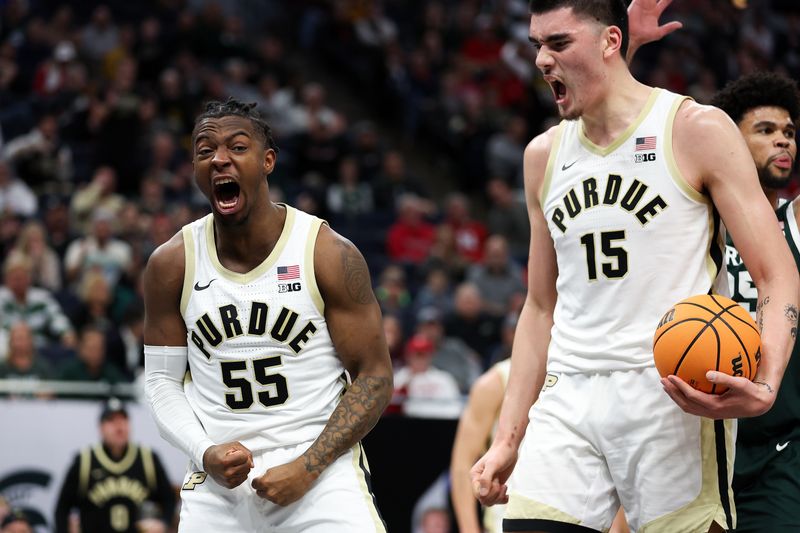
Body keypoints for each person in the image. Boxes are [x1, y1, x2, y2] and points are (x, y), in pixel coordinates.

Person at [470, 2, 799, 532]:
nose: (540, 61)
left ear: (610, 42)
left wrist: (767, 379)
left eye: (558, 43)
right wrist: (509, 437)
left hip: (671, 390)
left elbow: (776, 272)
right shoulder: (543, 156)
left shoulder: (695, 129)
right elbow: (538, 307)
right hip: (569, 394)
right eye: (536, 46)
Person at [142, 99, 392, 531]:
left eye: (237, 147)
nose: (219, 159)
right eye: (205, 151)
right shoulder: (171, 264)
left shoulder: (327, 253)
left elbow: (374, 377)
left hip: (320, 475)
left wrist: (308, 466)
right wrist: (204, 451)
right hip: (217, 483)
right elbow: (162, 382)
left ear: (267, 161)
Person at [713, 73, 800, 533]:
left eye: (789, 132)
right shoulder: (694, 222)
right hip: (700, 438)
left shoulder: (793, 220)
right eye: (765, 130)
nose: (783, 140)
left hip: (778, 445)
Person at [54, 398, 176, 533]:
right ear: (101, 428)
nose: (119, 426)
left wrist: (163, 523)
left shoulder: (148, 459)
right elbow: (62, 508)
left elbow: (169, 500)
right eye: (111, 420)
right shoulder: (84, 461)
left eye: (123, 419)